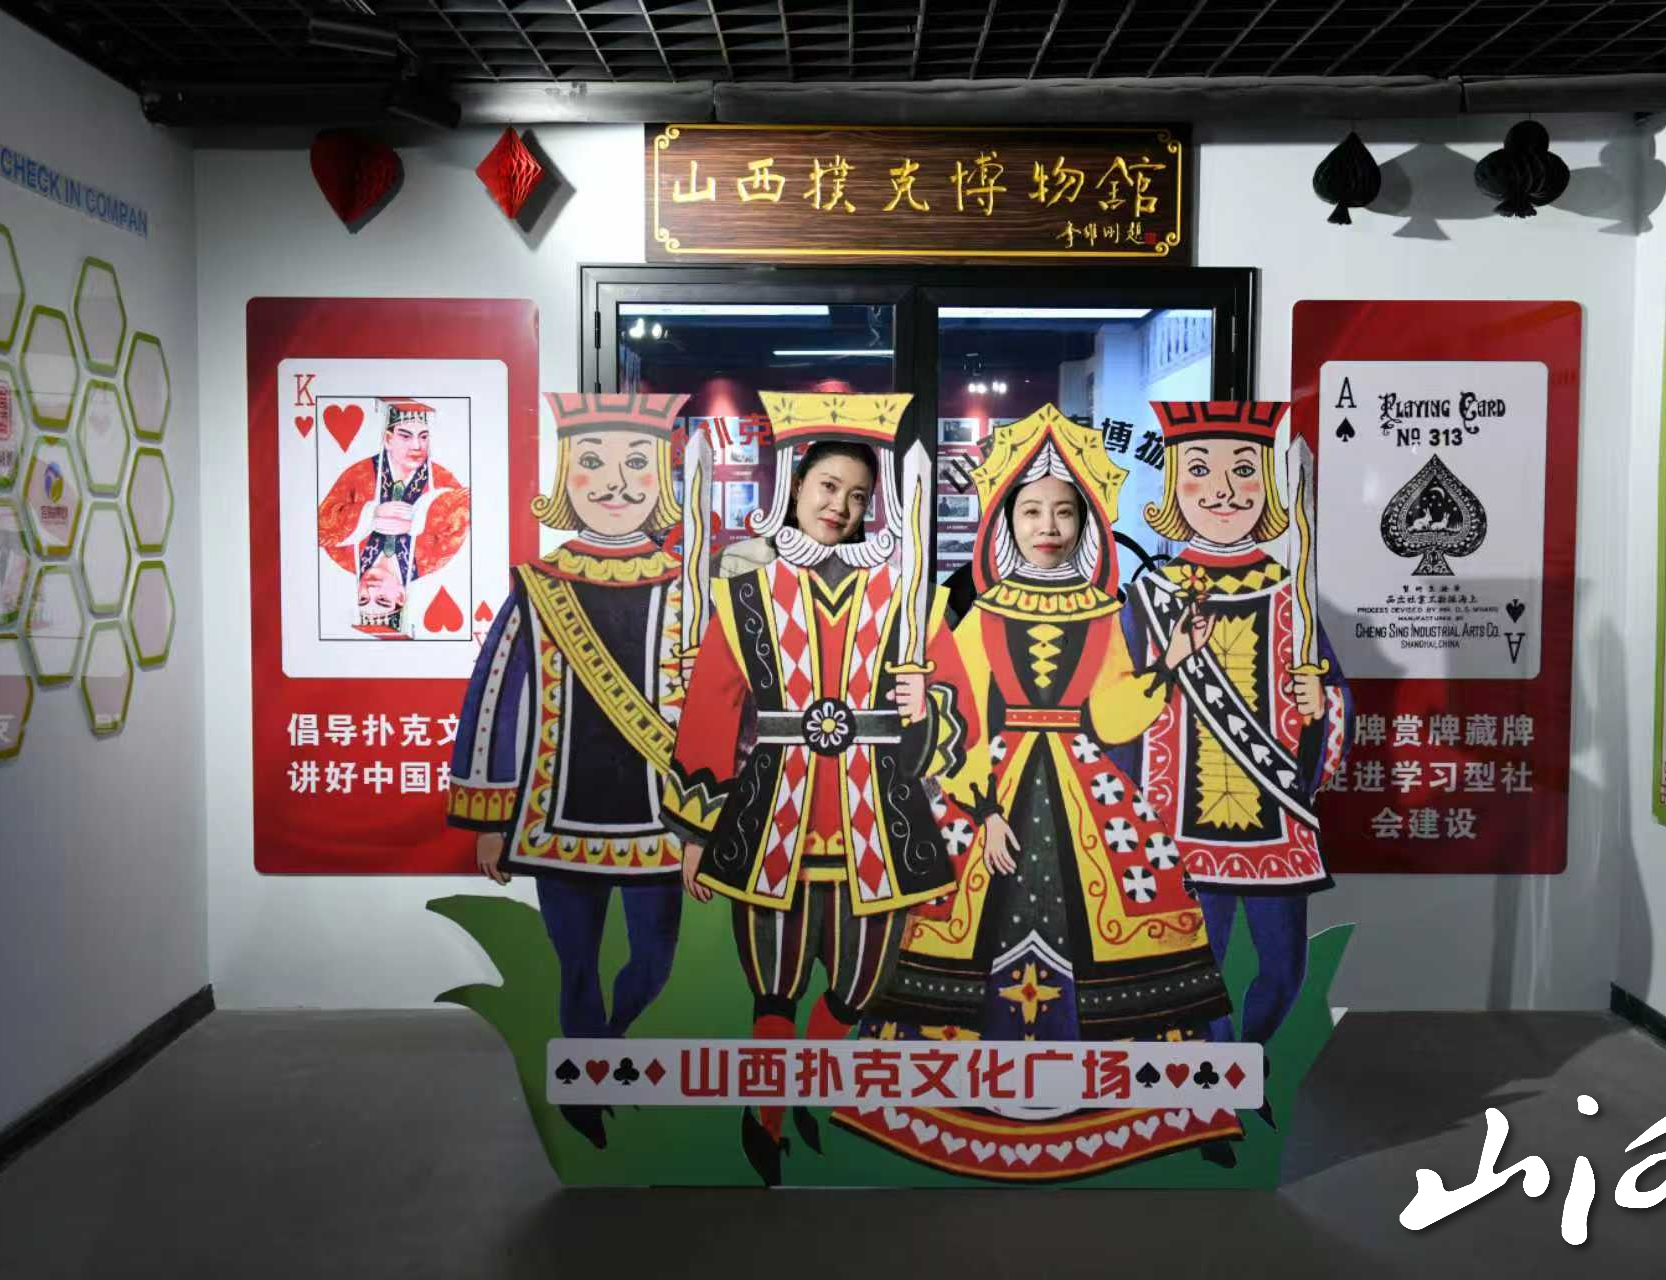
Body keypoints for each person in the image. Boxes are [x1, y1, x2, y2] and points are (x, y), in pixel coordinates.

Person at [840, 404, 1242, 1181]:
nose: (1048, 526)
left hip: (1087, 783)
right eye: (1032, 511)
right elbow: (961, 716)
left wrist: (1171, 661)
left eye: (1063, 511)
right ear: (1006, 521)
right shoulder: (979, 614)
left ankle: (1153, 1102)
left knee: (1129, 920)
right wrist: (983, 809)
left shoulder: (1104, 612)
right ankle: (950, 1099)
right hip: (994, 786)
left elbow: (1113, 712)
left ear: (1085, 522)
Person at [664, 391, 954, 1187]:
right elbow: (712, 709)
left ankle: (794, 1090)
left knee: (862, 988)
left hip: (880, 819)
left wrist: (926, 701)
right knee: (774, 987)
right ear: (794, 485)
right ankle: (765, 1120)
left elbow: (952, 706)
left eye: (859, 496)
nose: (841, 507)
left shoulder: (905, 596)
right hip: (772, 817)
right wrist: (695, 831)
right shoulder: (744, 593)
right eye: (829, 487)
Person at [446, 392, 693, 1152]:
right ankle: (586, 1101)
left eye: (634, 464)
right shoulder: (538, 585)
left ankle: (607, 1053)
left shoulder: (689, 584)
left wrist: (710, 823)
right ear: (565, 478)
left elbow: (720, 707)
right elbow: (493, 698)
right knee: (574, 968)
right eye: (593, 463)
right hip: (557, 819)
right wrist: (489, 817)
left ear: (660, 479)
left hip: (661, 823)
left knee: (654, 965)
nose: (614, 483)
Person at [1124, 401, 1350, 1129]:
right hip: (1179, 818)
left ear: (1268, 490)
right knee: (1199, 969)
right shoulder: (1151, 596)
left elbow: (1335, 697)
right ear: (1175, 490)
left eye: (1243, 471)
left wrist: (1322, 701)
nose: (1223, 490)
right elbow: (1121, 699)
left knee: (1284, 971)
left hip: (1275, 818)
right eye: (1201, 471)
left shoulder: (1293, 594)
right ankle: (1218, 1082)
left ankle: (1249, 1056)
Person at [317, 398, 470, 635]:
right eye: (382, 600)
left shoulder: (343, 556)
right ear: (400, 595)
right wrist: (411, 521)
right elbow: (464, 510)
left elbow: (321, 528)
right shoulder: (431, 560)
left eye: (363, 599)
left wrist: (371, 515)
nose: (417, 446)